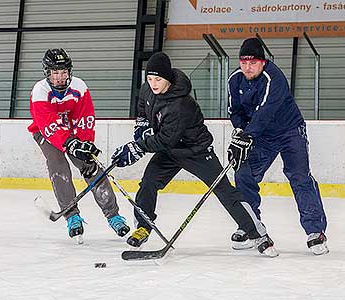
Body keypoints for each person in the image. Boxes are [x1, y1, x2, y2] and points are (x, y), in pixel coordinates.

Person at [111, 52, 278, 257]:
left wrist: (137, 147)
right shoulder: (148, 89)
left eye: (158, 79)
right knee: (148, 182)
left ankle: (259, 235)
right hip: (170, 151)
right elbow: (143, 109)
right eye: (150, 79)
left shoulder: (181, 104)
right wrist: (142, 127)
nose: (153, 84)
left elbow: (165, 139)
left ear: (168, 79)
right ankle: (144, 226)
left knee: (225, 191)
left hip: (196, 151)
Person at [226, 38, 329, 255]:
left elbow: (265, 112)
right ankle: (249, 224)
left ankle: (315, 230)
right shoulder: (235, 80)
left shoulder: (274, 78)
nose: (247, 67)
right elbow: (235, 111)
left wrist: (248, 135)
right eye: (243, 62)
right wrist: (239, 132)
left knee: (299, 176)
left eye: (252, 62)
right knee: (244, 173)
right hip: (261, 135)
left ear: (263, 61)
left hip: (289, 131)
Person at [28, 48, 130, 243]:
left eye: (63, 72)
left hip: (73, 132)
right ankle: (72, 216)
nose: (59, 77)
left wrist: (85, 144)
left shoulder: (79, 87)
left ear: (69, 71)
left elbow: (85, 118)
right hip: (45, 133)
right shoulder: (40, 91)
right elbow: (47, 124)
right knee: (58, 165)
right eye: (55, 73)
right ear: (47, 73)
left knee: (91, 167)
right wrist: (68, 143)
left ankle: (113, 215)